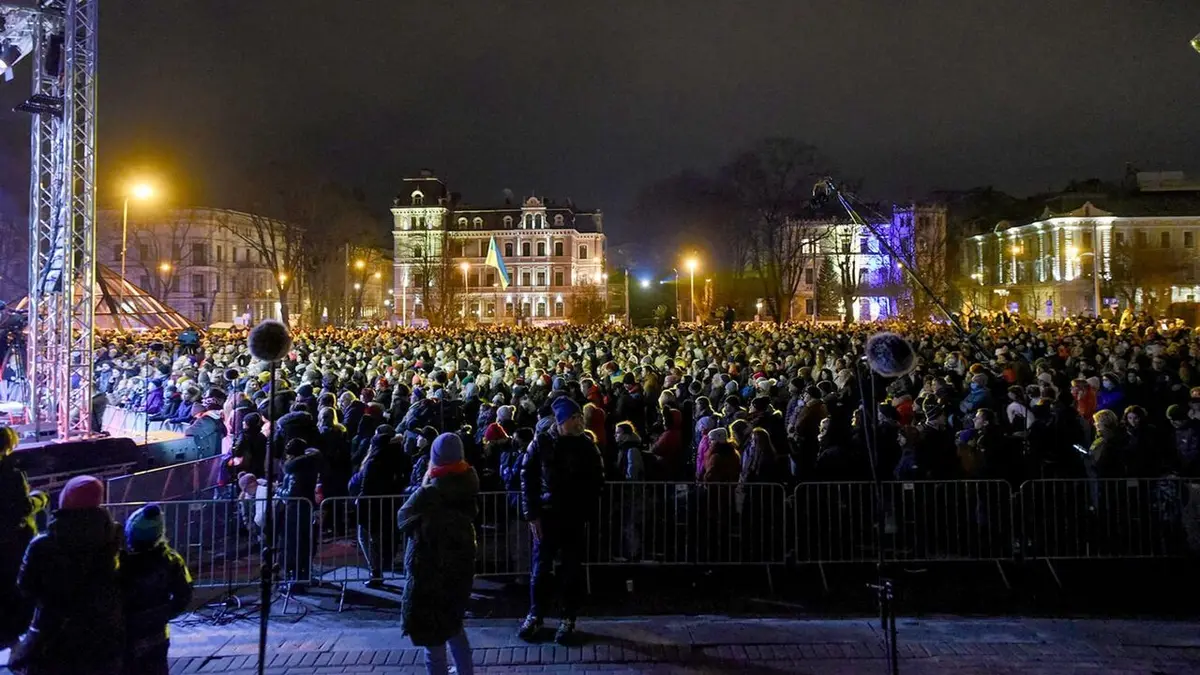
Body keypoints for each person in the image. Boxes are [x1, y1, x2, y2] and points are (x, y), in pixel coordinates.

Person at [11, 476, 124, 675]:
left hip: (54, 636)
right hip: (103, 637)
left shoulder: (42, 545)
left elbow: (26, 586)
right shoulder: (114, 538)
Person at [518, 396, 605, 644]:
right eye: (574, 418)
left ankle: (568, 618)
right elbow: (528, 478)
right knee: (540, 569)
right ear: (560, 421)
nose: (579, 422)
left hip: (573, 516)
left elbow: (597, 481)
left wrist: (587, 510)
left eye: (580, 417)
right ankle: (536, 615)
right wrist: (532, 514)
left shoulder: (587, 445)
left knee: (571, 570)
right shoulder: (541, 443)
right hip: (546, 516)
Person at [396, 433, 479, 675]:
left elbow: (403, 518)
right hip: (459, 564)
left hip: (430, 567)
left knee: (432, 637)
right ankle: (465, 671)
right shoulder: (467, 481)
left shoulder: (430, 492)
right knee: (453, 624)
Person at [119, 504, 194, 675]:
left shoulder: (117, 562)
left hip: (123, 630)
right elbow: (184, 594)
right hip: (157, 631)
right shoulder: (171, 560)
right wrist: (163, 613)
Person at [0, 427, 48, 643]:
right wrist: (40, 498)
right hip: (12, 541)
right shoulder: (10, 474)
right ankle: (14, 637)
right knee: (15, 586)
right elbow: (21, 508)